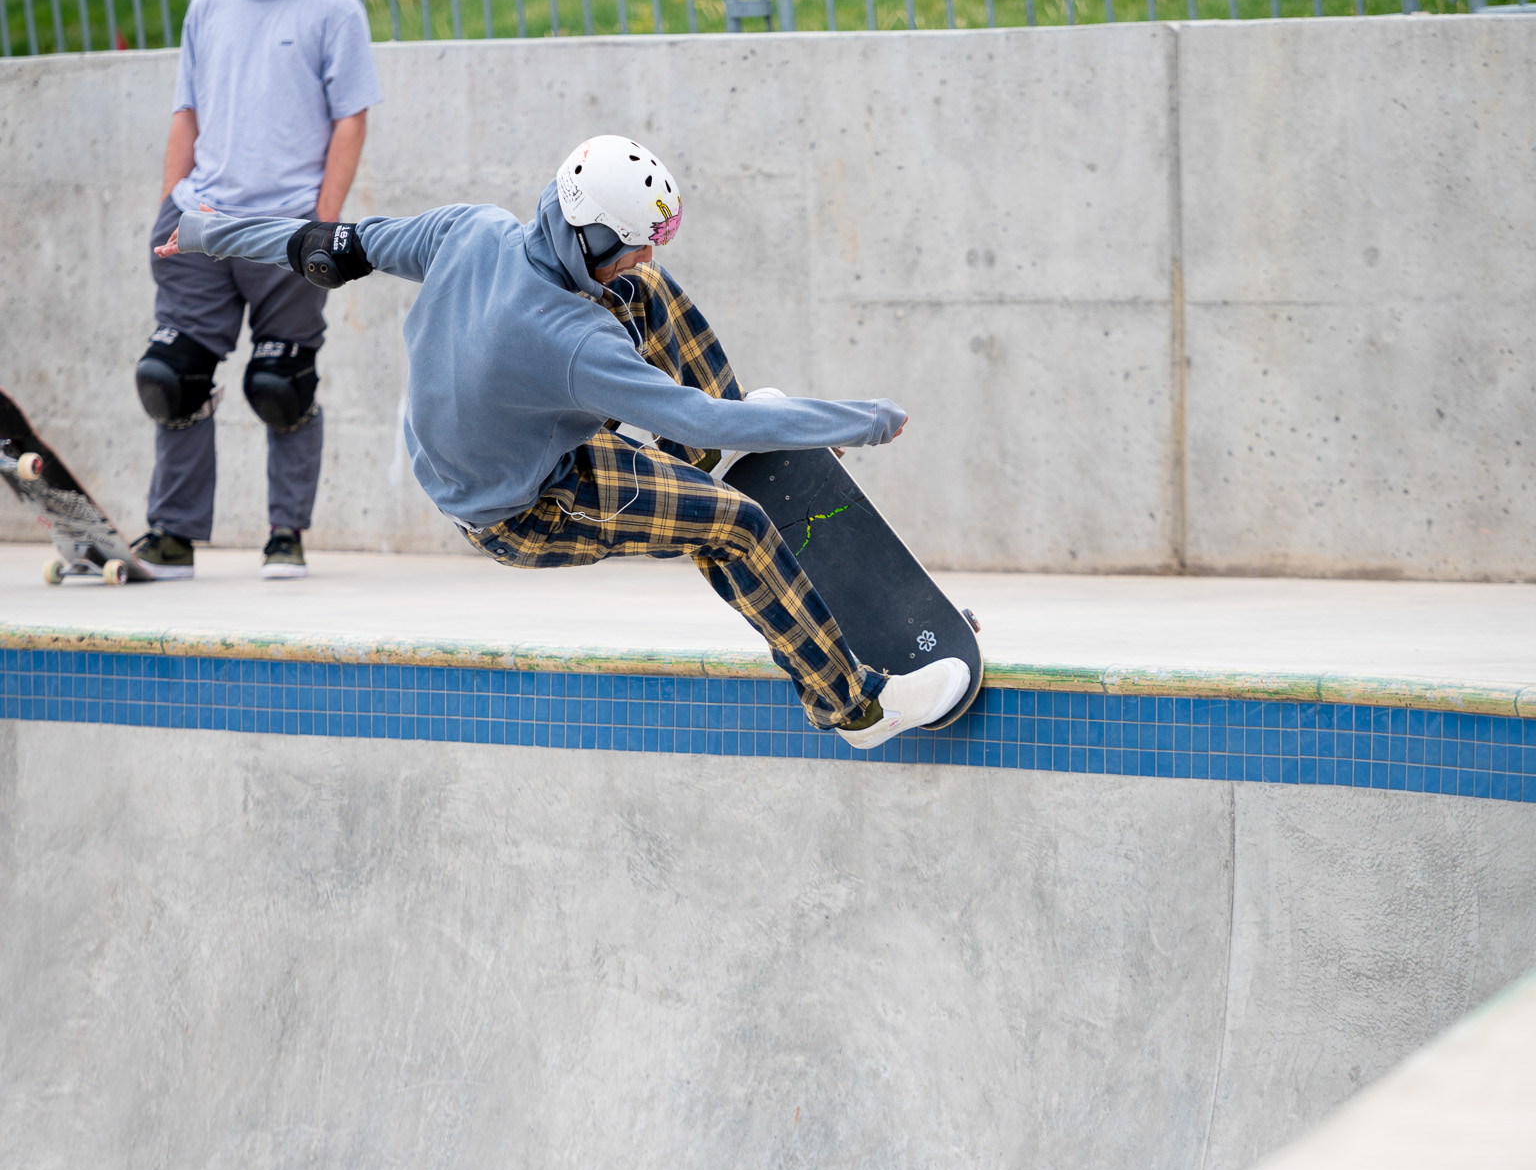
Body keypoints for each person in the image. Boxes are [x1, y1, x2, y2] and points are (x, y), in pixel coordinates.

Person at [153, 133, 970, 749]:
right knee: (736, 527)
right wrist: (858, 420)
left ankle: (698, 470)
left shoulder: (468, 231)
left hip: (489, 435)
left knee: (647, 295)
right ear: (589, 237)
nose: (644, 252)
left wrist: (200, 231)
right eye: (636, 240)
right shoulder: (576, 344)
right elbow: (708, 422)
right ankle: (856, 705)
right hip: (522, 507)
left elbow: (326, 246)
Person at [132, 0, 381, 581]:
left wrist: (322, 226)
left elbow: (351, 120)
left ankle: (285, 535)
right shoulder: (207, 9)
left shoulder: (334, 8)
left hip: (286, 229)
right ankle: (173, 534)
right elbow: (187, 112)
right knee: (173, 375)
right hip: (201, 218)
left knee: (283, 383)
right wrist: (167, 203)